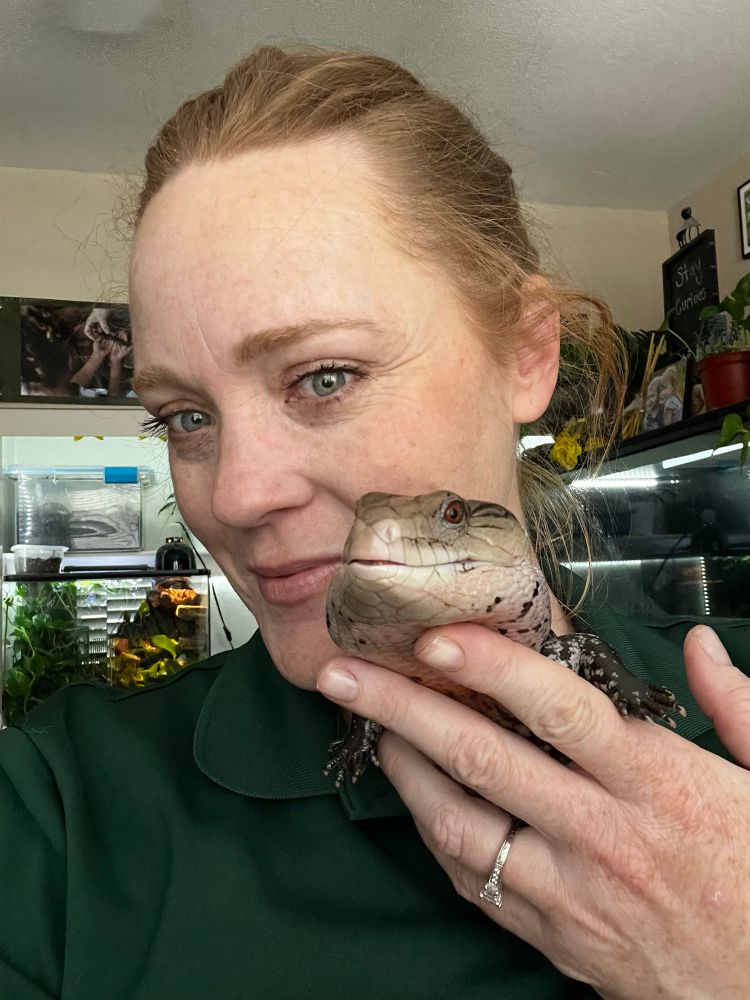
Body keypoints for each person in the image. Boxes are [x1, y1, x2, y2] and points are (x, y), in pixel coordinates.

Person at [1, 45, 749, 999]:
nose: (234, 496)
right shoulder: (58, 813)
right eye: (185, 418)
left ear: (526, 354)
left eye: (325, 378)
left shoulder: (726, 692)